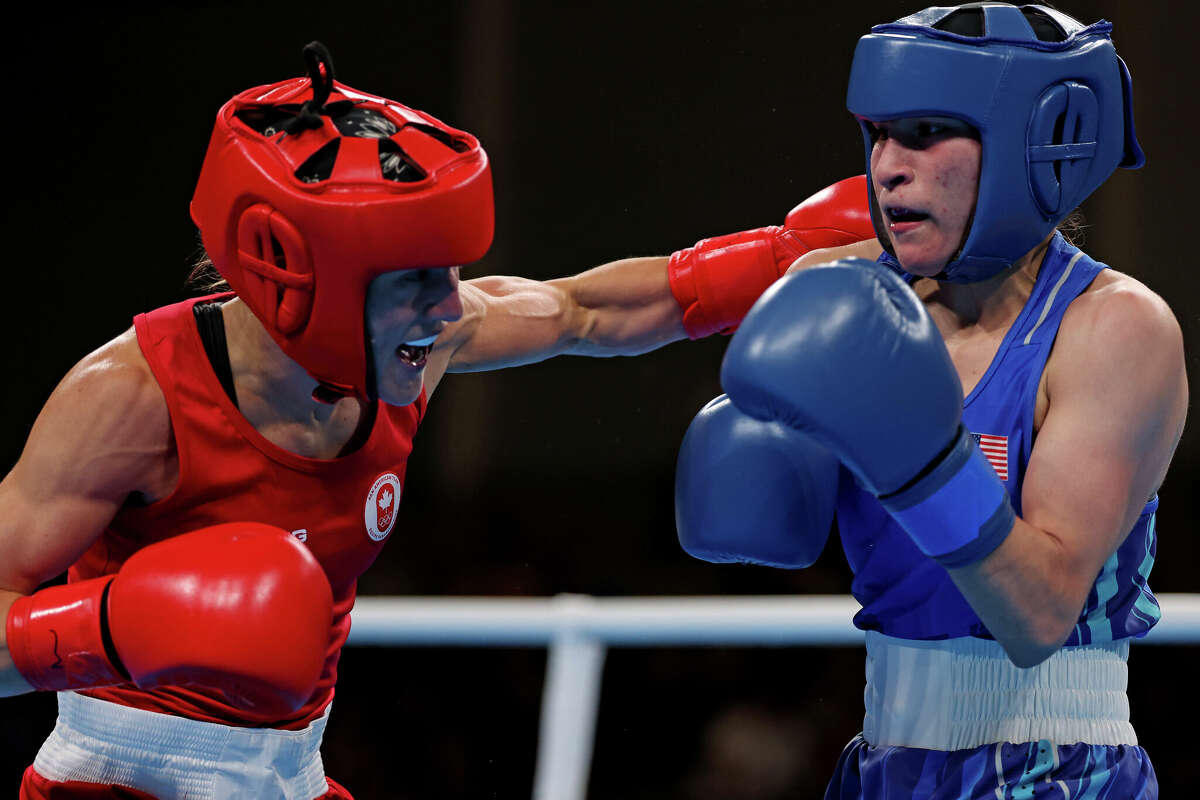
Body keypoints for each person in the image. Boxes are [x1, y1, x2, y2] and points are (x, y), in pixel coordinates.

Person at [0, 42, 874, 799]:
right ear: (302, 277)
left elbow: (584, 313)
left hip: (289, 776)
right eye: (417, 280)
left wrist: (784, 260)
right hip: (103, 784)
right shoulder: (130, 395)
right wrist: (104, 630)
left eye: (451, 272)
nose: (449, 305)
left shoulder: (418, 344)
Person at [675, 4, 1186, 798]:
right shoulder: (845, 295)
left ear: (1033, 142)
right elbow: (628, 303)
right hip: (880, 757)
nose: (886, 167)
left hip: (1054, 766)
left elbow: (1040, 613)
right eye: (878, 133)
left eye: (924, 133)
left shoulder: (1112, 330)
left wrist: (920, 458)